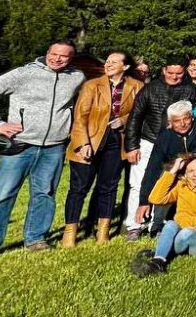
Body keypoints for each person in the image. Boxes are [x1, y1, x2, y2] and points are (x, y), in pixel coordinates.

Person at [0, 40, 86, 258]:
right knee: (3, 194)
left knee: (45, 194)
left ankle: (35, 239)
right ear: (47, 53)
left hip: (54, 147)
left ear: (72, 58)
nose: (57, 59)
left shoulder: (76, 77)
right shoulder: (23, 74)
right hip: (20, 145)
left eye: (64, 56)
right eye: (54, 54)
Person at [62, 51, 144, 248]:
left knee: (109, 187)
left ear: (125, 67)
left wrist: (123, 120)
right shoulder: (92, 85)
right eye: (107, 61)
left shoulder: (137, 86)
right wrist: (83, 143)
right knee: (79, 188)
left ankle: (103, 231)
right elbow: (80, 117)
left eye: (114, 62)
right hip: (89, 140)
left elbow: (138, 114)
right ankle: (70, 233)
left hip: (117, 142)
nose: (108, 64)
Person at [123, 58, 196, 240]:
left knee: (167, 184)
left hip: (176, 143)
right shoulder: (149, 89)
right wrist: (131, 146)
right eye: (170, 73)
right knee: (138, 184)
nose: (174, 77)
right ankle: (135, 225)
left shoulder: (192, 91)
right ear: (164, 70)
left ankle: (156, 224)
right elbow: (135, 118)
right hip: (149, 140)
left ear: (184, 72)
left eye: (179, 73)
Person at [134, 100, 196, 234]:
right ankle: (157, 225)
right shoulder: (164, 138)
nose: (182, 124)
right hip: (179, 177)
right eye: (177, 121)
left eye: (186, 119)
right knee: (163, 179)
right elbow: (152, 169)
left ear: (192, 117)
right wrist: (144, 201)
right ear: (170, 123)